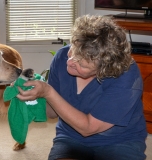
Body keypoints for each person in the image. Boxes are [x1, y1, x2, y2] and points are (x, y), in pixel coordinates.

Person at [17, 15, 147, 160]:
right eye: (72, 51)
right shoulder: (61, 58)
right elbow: (52, 112)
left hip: (120, 142)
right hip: (71, 137)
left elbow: (88, 128)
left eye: (82, 64)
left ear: (104, 70)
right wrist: (31, 96)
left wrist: (48, 92)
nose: (70, 62)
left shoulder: (126, 74)